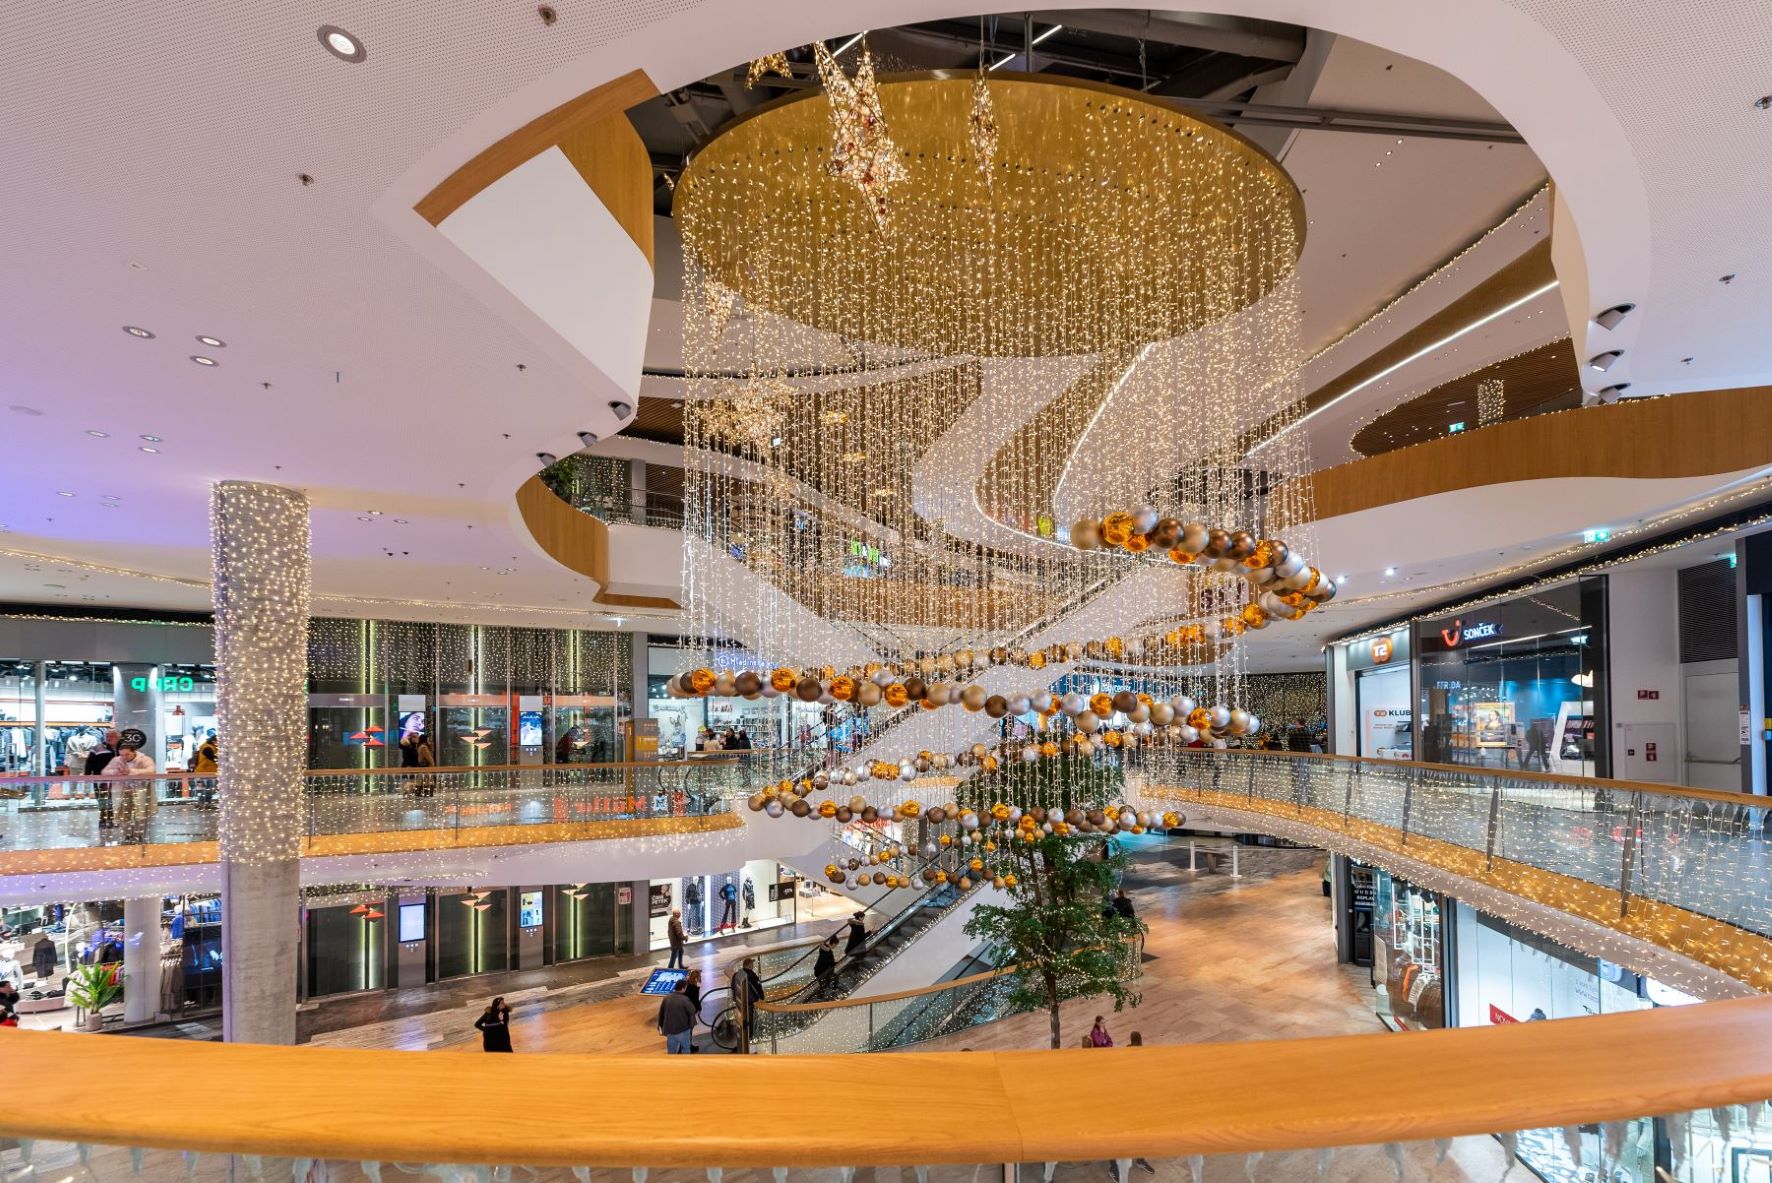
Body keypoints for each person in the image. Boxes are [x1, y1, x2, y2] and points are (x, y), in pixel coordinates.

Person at [103, 734, 157, 844]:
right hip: (123, 791)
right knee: (124, 814)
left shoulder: (145, 759)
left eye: (127, 754)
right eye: (122, 755)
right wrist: (115, 772)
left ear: (134, 751)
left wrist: (131, 772)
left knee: (141, 814)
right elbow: (104, 772)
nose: (124, 757)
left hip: (141, 791)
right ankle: (127, 835)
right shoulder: (116, 760)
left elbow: (151, 771)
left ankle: (139, 835)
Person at [84, 727, 119, 825]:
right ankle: (103, 820)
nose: (109, 738)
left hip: (118, 780)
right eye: (107, 736)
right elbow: (89, 763)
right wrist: (87, 775)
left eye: (112, 736)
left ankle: (112, 820)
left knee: (114, 800)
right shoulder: (97, 748)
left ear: (118, 738)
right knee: (103, 800)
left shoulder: (122, 749)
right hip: (100, 779)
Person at [729, 956, 763, 1052]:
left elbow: (733, 988)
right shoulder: (751, 975)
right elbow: (758, 987)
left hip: (740, 1005)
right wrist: (762, 997)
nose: (753, 965)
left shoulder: (737, 974)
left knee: (742, 1025)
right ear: (749, 965)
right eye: (752, 963)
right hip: (750, 1004)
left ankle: (742, 1044)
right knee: (750, 1024)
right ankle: (749, 1045)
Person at [657, 979, 698, 1054]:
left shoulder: (667, 998)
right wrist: (691, 1025)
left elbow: (661, 1013)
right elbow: (692, 1010)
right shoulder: (684, 999)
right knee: (685, 1048)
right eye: (685, 987)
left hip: (670, 1031)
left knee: (671, 1051)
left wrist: (660, 1026)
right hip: (683, 1030)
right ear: (683, 988)